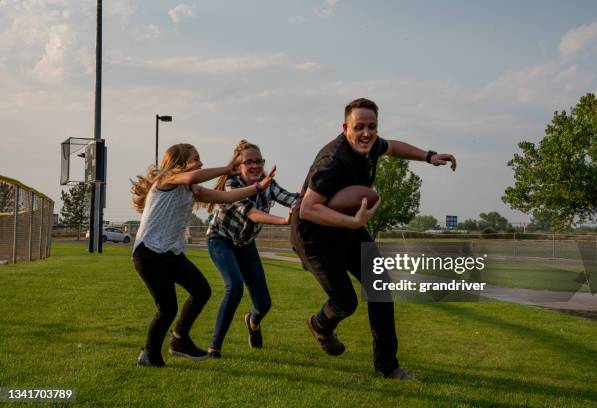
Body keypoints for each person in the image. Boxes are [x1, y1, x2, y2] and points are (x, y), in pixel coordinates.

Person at [290, 98, 457, 380]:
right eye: (359, 127)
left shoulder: (372, 145)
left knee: (380, 286)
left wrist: (429, 156)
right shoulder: (332, 161)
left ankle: (388, 367)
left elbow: (392, 146)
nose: (366, 133)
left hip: (346, 228)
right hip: (313, 236)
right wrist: (354, 221)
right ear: (346, 128)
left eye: (372, 127)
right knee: (346, 302)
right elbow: (308, 209)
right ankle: (321, 324)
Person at [131, 143, 276, 367]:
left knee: (201, 290)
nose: (200, 163)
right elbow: (190, 177)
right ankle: (149, 354)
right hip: (149, 253)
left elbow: (227, 197)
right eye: (195, 159)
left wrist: (258, 188)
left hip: (170, 253)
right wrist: (226, 169)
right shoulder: (167, 179)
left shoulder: (192, 190)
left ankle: (179, 339)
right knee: (168, 308)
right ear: (179, 164)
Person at [205, 140, 298, 358]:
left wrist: (310, 199)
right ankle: (214, 348)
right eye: (249, 162)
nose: (256, 166)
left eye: (259, 161)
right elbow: (252, 213)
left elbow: (292, 199)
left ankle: (252, 322)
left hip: (246, 245)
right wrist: (284, 220)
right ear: (239, 166)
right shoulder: (232, 184)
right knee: (234, 286)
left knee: (264, 304)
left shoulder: (269, 185)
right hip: (221, 239)